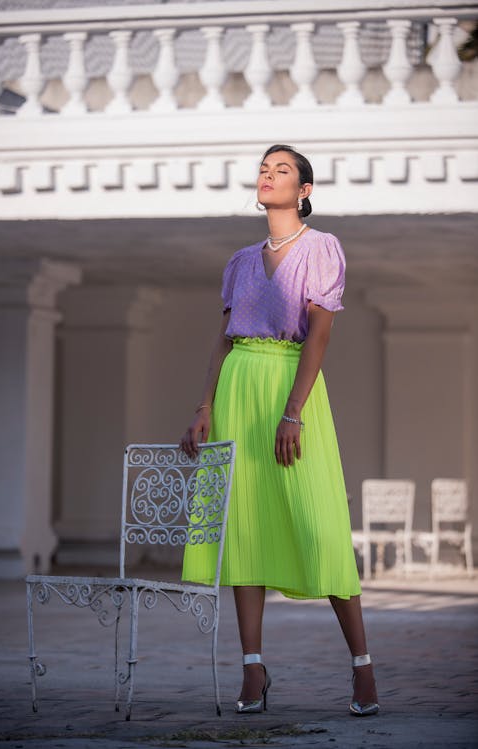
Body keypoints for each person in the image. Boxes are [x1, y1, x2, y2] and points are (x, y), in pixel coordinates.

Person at [180, 144, 379, 717]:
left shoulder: (322, 249)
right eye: (264, 169)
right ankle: (252, 668)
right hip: (239, 387)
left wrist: (293, 411)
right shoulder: (241, 261)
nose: (268, 176)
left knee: (319, 523)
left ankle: (363, 667)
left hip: (293, 388)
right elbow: (224, 338)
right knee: (241, 525)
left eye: (282, 170)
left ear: (305, 191)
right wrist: (204, 404)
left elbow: (318, 335)